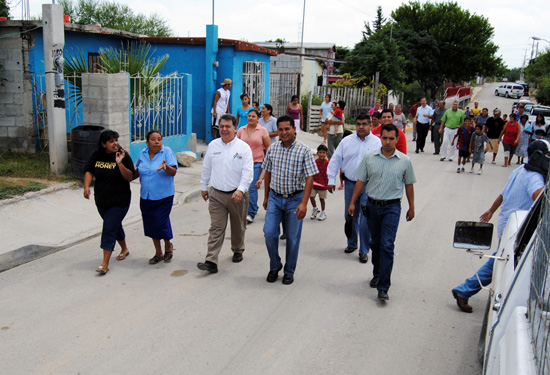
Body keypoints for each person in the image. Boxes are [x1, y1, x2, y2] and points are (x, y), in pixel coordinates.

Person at [451, 140, 548, 312]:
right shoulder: (535, 177)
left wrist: (491, 210)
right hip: (517, 229)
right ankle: (465, 290)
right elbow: (541, 200)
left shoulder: (520, 170)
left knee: (501, 260)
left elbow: (503, 194)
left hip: (508, 223)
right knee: (502, 262)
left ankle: (467, 290)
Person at [348, 123, 416, 301]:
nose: (387, 141)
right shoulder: (370, 158)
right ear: (381, 138)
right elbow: (361, 181)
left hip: (392, 208)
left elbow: (409, 185)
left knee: (387, 244)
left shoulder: (404, 161)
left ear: (397, 139)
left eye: (391, 138)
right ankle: (377, 272)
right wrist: (352, 202)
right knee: (375, 242)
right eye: (384, 138)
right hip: (372, 206)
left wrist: (412, 206)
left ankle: (383, 286)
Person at [262, 115, 318, 285]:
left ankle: (289, 271)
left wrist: (304, 203)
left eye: (287, 129)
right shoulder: (273, 149)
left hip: (295, 199)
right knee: (269, 233)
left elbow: (309, 177)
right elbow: (268, 172)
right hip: (275, 197)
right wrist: (265, 196)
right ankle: (275, 265)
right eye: (281, 129)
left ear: (294, 130)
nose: (284, 132)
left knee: (292, 238)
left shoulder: (304, 150)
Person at [197, 114, 254, 274]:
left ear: (235, 128)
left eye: (228, 126)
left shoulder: (243, 148)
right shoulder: (213, 146)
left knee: (238, 226)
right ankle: (211, 261)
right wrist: (204, 186)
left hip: (238, 195)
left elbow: (248, 172)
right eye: (221, 126)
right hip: (217, 195)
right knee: (216, 228)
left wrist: (241, 190)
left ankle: (238, 249)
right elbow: (207, 168)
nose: (224, 129)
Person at [327, 113, 381, 263]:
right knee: (350, 215)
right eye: (358, 124)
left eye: (364, 124)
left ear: (371, 125)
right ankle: (352, 243)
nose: (361, 127)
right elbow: (335, 160)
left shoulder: (378, 143)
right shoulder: (346, 141)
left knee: (365, 219)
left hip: (369, 186)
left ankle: (364, 249)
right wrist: (331, 179)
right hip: (350, 184)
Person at [83, 130, 135, 275]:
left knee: (108, 228)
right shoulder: (96, 155)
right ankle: (125, 249)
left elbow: (130, 177)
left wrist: (119, 164)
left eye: (116, 140)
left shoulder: (123, 156)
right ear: (104, 144)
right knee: (114, 225)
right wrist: (86, 187)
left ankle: (104, 264)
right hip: (101, 201)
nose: (115, 143)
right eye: (111, 141)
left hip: (120, 201)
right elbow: (88, 171)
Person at [135, 130, 178, 265]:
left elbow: (174, 172)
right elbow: (137, 171)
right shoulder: (142, 154)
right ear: (147, 142)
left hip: (164, 196)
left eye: (159, 139)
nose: (157, 142)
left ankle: (168, 246)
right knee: (151, 224)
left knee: (160, 222)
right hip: (146, 196)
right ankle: (158, 252)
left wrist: (166, 167)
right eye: (153, 139)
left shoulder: (167, 152)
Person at [237, 109, 270, 224]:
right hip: (242, 163)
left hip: (257, 163)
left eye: (253, 116)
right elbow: (236, 145)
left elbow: (268, 147)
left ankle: (250, 213)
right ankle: (248, 208)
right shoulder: (241, 130)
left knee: (252, 187)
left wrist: (266, 165)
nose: (250, 118)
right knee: (242, 187)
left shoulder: (262, 130)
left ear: (258, 118)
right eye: (249, 116)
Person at [310, 144, 329, 221]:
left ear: (326, 154)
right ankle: (315, 209)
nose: (322, 154)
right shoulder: (314, 162)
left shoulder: (327, 163)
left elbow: (330, 174)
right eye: (320, 152)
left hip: (323, 185)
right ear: (317, 153)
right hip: (314, 184)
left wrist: (330, 184)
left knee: (322, 199)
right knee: (311, 196)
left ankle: (323, 212)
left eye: (323, 152)